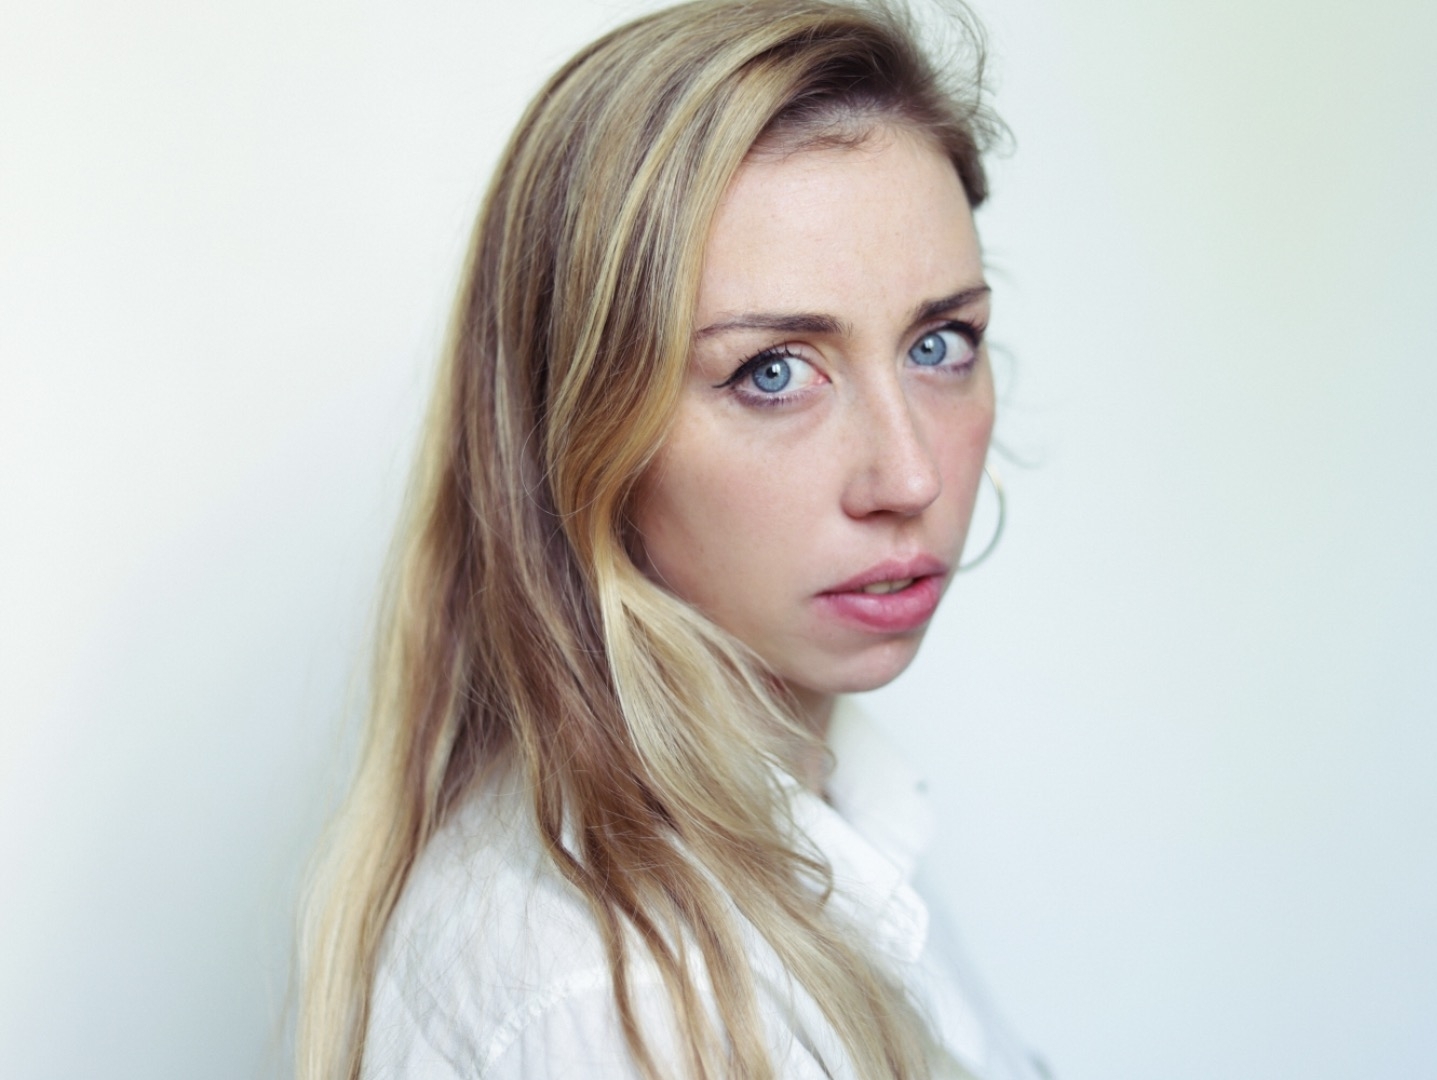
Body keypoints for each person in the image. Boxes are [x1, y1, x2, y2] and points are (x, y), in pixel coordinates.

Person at [296, 1, 1042, 1077]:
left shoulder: (843, 821)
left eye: (940, 344)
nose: (911, 476)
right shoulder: (620, 997)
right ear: (581, 432)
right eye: (773, 372)